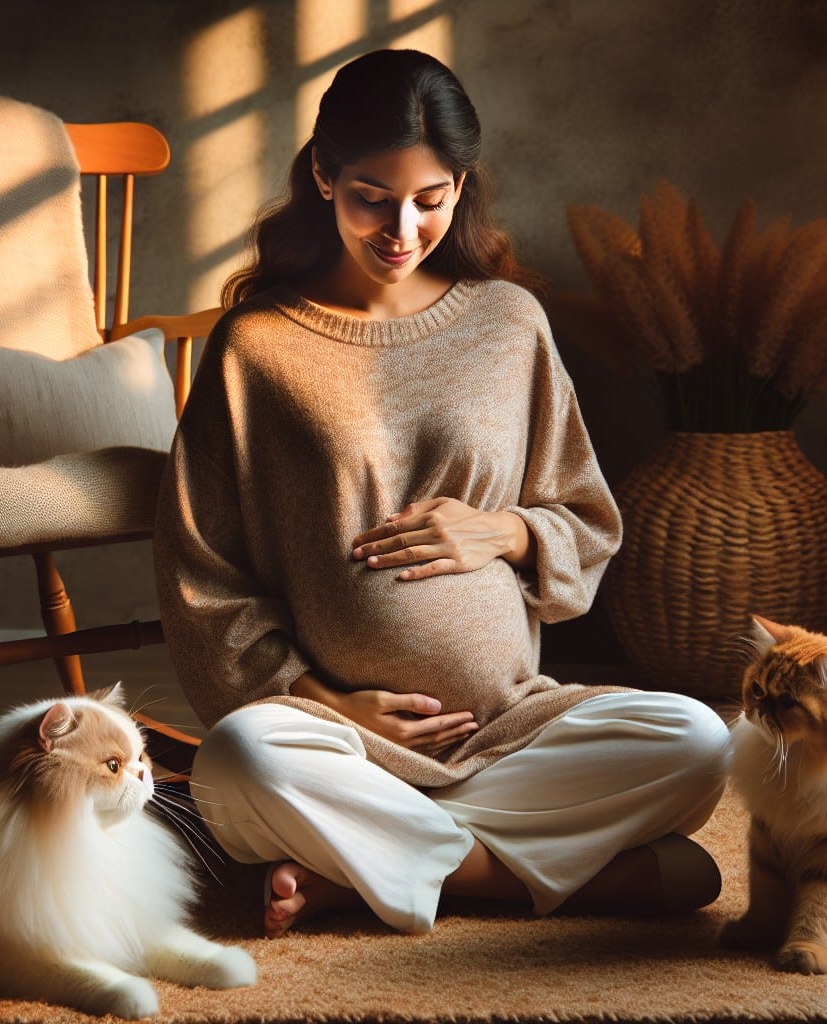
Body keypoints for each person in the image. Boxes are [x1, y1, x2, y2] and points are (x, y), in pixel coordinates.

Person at [152, 49, 730, 939]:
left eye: (431, 199)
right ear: (322, 175)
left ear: (461, 186)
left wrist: (502, 531)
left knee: (696, 741)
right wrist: (322, 700)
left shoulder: (509, 322)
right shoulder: (255, 346)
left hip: (510, 728)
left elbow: (585, 517)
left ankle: (364, 875)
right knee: (238, 759)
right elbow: (204, 574)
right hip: (339, 742)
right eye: (371, 197)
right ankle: (515, 872)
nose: (402, 229)